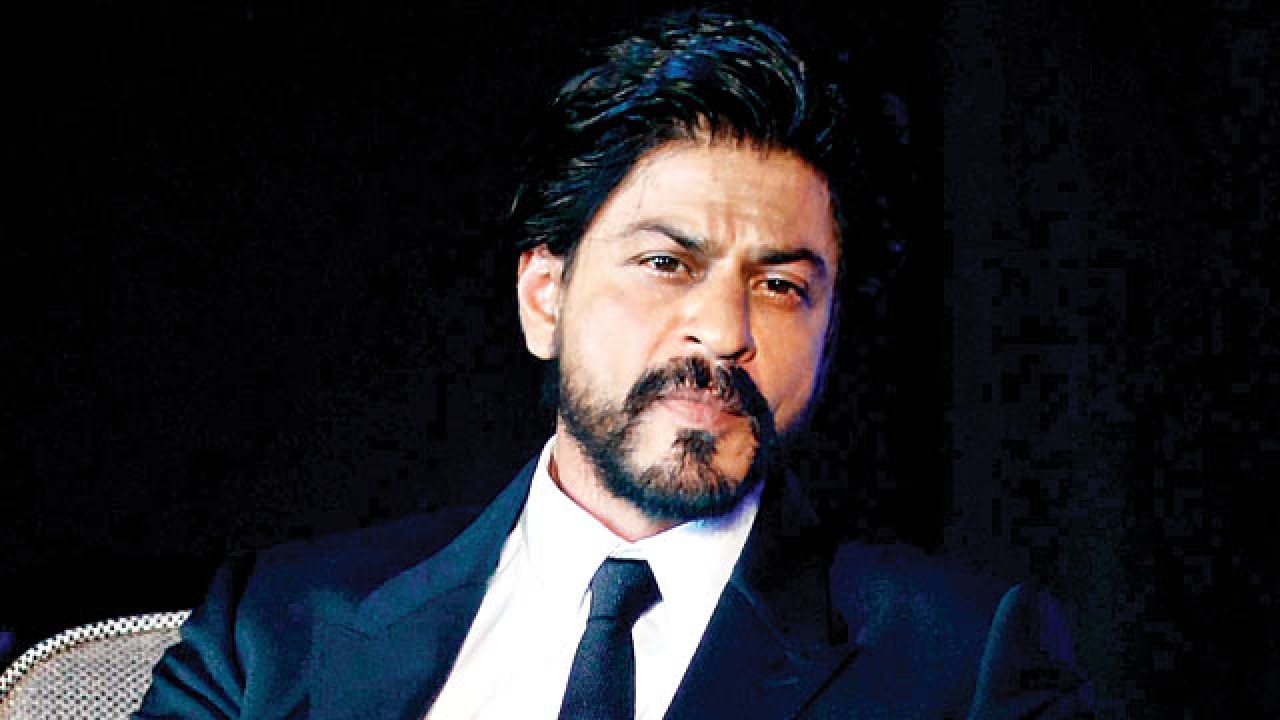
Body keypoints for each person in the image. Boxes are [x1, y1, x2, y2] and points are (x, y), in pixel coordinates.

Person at [135, 9, 1090, 719]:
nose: (723, 331)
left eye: (780, 286)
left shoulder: (965, 664)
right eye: (667, 264)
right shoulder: (277, 629)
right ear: (544, 297)